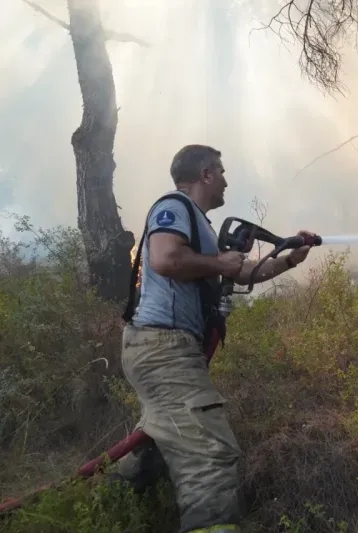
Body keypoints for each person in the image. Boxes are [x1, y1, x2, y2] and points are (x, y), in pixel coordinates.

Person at [113, 144, 316, 533]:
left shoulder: (201, 225)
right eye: (221, 172)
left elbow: (241, 273)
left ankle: (105, 506)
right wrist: (217, 262)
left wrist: (291, 257)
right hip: (164, 349)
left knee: (156, 445)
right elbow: (164, 259)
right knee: (211, 455)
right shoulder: (173, 207)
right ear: (206, 173)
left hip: (166, 349)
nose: (225, 180)